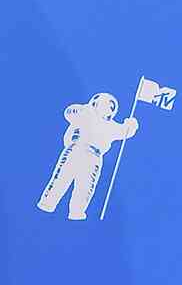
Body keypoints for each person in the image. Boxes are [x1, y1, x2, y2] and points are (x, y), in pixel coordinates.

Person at [37, 91, 138, 219]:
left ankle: (76, 212)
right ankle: (47, 203)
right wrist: (83, 110)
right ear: (96, 103)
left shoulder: (111, 126)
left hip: (94, 157)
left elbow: (124, 132)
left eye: (112, 107)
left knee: (85, 187)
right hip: (76, 149)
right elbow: (69, 112)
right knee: (61, 178)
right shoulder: (85, 113)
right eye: (106, 104)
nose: (109, 108)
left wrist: (131, 125)